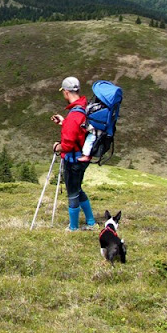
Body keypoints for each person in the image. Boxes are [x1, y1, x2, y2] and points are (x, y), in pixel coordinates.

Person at [51, 76, 97, 231]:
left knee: (72, 192)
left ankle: (73, 228)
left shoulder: (74, 114)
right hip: (83, 157)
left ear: (66, 92)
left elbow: (67, 145)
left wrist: (57, 147)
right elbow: (79, 130)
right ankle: (91, 222)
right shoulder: (84, 107)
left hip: (74, 160)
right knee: (77, 189)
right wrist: (64, 123)